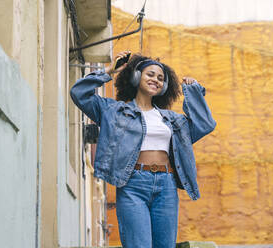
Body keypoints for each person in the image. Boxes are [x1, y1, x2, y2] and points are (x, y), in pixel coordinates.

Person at [70, 51, 216, 248]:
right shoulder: (114, 111)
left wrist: (194, 91)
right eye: (150, 74)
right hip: (133, 184)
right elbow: (79, 93)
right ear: (136, 76)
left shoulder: (172, 119)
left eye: (160, 78)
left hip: (167, 185)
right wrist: (110, 70)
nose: (155, 79)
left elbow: (205, 124)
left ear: (164, 86)